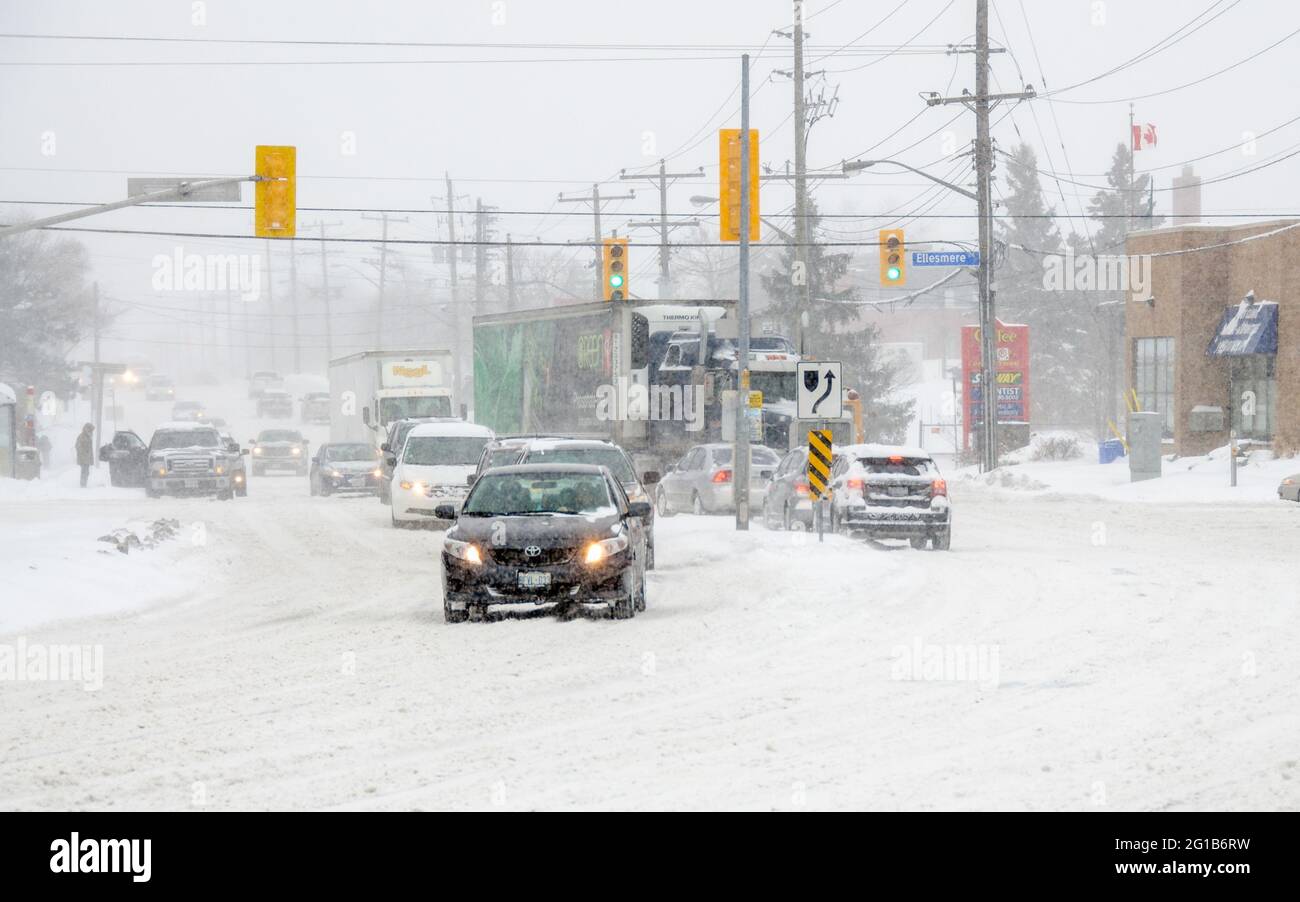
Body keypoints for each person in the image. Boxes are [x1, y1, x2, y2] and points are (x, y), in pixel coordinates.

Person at [75, 423, 94, 488]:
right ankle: (83, 485)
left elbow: (90, 449)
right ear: (87, 429)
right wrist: (83, 453)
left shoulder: (88, 437)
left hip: (87, 458)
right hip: (83, 458)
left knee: (86, 472)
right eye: (90, 430)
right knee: (84, 471)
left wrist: (90, 457)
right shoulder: (82, 436)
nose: (91, 432)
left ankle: (84, 484)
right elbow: (77, 446)